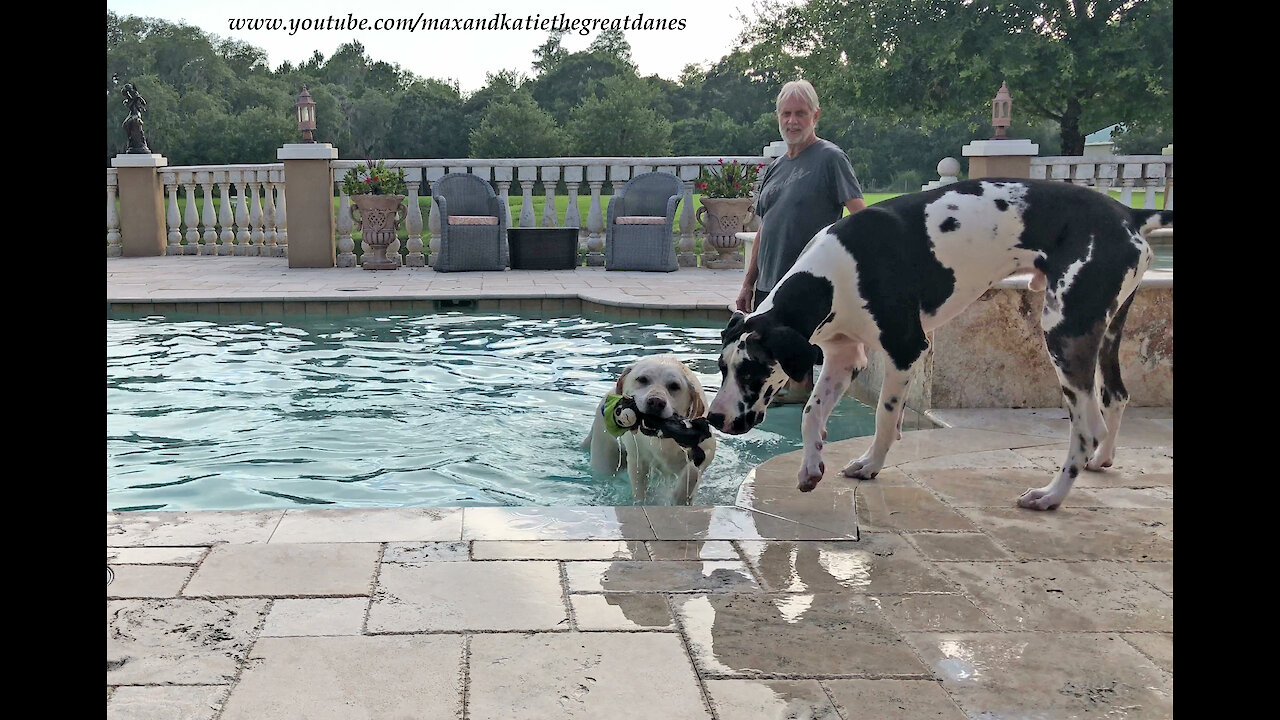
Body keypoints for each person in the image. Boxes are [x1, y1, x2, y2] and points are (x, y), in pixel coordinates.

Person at [737, 79, 866, 401]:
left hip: (805, 288)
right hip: (770, 285)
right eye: (786, 114)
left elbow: (860, 217)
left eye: (801, 113)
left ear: (815, 116)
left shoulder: (830, 159)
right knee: (769, 374)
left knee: (798, 384)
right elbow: (765, 228)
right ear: (778, 116)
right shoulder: (776, 167)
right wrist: (748, 283)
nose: (792, 121)